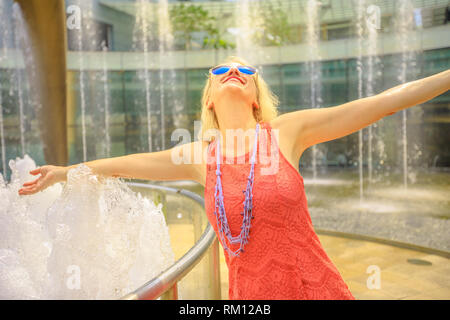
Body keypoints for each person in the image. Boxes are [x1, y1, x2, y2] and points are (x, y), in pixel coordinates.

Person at [19, 57, 449, 299]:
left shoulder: (286, 133)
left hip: (313, 287)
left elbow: (381, 104)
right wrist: (66, 172)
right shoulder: (199, 156)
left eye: (245, 72)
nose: (233, 73)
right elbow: (128, 163)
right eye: (221, 70)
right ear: (209, 98)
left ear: (257, 100)